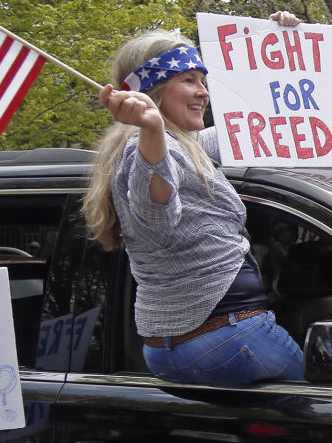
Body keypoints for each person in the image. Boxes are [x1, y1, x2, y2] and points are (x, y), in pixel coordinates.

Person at [85, 22, 306, 386]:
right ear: (152, 89)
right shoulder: (148, 149)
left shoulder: (185, 144)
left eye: (203, 82)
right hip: (230, 339)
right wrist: (152, 131)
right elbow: (156, 216)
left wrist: (279, 38)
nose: (204, 93)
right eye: (189, 80)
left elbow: (273, 124)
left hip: (192, 344)